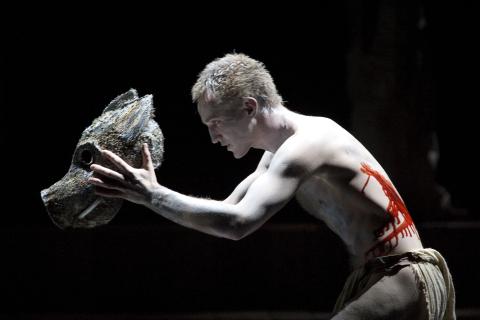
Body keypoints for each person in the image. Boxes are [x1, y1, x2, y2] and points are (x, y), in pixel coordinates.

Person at [88, 53, 456, 319]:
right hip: (376, 273)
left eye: (216, 122)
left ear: (250, 107)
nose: (213, 137)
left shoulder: (308, 144)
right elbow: (225, 213)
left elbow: (238, 224)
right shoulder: (277, 154)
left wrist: (152, 195)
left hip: (403, 272)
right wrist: (147, 194)